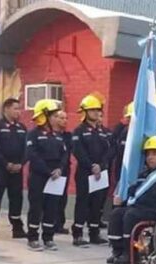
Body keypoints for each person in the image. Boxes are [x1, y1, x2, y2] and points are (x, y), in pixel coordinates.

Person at [107, 136, 156, 264]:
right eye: (148, 154)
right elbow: (133, 194)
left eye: (155, 154)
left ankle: (130, 254)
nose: (150, 157)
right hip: (137, 208)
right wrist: (121, 202)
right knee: (116, 214)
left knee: (130, 215)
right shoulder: (143, 175)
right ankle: (118, 251)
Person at [26, 99, 68, 251]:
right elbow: (32, 155)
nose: (56, 118)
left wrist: (60, 169)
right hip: (39, 176)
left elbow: (64, 154)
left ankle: (48, 237)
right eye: (53, 115)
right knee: (36, 207)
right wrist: (47, 171)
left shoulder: (57, 135)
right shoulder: (33, 134)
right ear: (44, 115)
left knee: (52, 207)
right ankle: (32, 238)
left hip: (55, 176)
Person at [71, 94, 110, 246]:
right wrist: (92, 166)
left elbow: (110, 150)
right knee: (83, 202)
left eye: (97, 110)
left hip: (101, 172)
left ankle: (94, 233)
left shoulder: (104, 131)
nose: (95, 113)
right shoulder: (79, 131)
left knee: (97, 203)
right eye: (92, 110)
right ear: (85, 112)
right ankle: (78, 234)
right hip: (85, 172)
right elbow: (78, 151)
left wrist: (101, 165)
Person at [0, 98, 27, 239]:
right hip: (0, 169)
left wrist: (21, 163)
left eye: (19, 108)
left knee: (16, 198)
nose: (18, 111)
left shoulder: (21, 128)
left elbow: (27, 149)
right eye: (15, 108)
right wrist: (5, 163)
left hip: (17, 169)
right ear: (6, 109)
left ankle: (17, 228)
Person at [55, 110, 72, 235]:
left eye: (66, 118)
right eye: (61, 118)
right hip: (50, 170)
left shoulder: (67, 136)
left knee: (62, 197)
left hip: (64, 169)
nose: (64, 121)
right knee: (50, 198)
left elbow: (68, 153)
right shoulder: (51, 134)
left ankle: (59, 223)